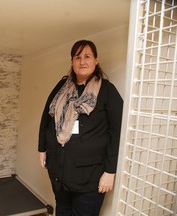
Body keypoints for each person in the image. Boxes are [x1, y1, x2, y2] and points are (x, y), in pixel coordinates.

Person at [38, 40, 123, 216]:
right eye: (78, 57)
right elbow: (46, 119)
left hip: (89, 178)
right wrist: (42, 149)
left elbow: (117, 133)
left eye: (87, 57)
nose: (82, 62)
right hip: (59, 172)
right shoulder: (61, 87)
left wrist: (110, 171)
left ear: (96, 60)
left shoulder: (107, 90)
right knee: (62, 212)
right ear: (72, 62)